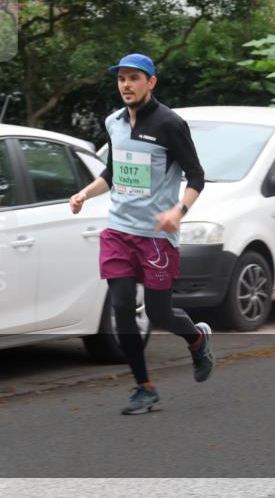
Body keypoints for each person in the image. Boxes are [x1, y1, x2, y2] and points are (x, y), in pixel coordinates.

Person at [69, 53, 214, 415]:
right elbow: (113, 172)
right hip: (118, 230)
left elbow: (196, 176)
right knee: (121, 307)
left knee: (159, 313)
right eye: (121, 79)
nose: (126, 85)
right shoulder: (114, 122)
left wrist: (178, 212)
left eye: (134, 78)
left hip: (155, 236)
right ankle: (144, 387)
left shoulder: (170, 125)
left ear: (151, 82)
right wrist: (86, 193)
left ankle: (196, 338)